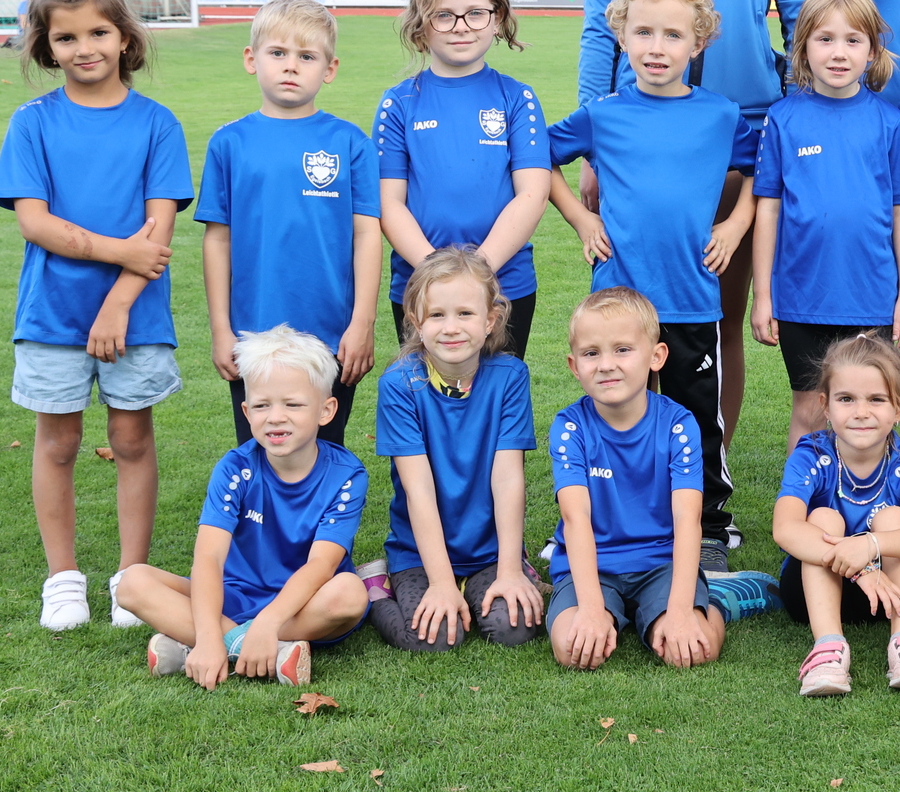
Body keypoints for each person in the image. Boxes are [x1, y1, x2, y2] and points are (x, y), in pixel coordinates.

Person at [578, 0, 818, 451]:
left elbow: (804, 18)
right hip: (638, 135)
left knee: (714, 317)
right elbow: (598, 21)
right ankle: (633, 481)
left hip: (742, 132)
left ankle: (699, 487)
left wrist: (795, 126)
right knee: (630, 325)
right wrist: (594, 136)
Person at [0, 0, 193, 632]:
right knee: (57, 443)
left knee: (133, 439)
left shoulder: (157, 124)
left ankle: (129, 580)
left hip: (135, 315)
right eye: (67, 36)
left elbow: (156, 232)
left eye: (99, 32)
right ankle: (63, 579)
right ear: (45, 46)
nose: (86, 48)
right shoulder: (33, 123)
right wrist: (118, 253)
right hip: (51, 312)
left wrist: (118, 302)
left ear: (124, 36)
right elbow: (35, 222)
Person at [548, 0, 758, 568]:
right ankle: (595, 517)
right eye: (643, 32)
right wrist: (582, 221)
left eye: (672, 35)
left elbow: (763, 168)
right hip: (619, 301)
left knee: (697, 419)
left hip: (693, 298)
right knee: (614, 415)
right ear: (621, 36)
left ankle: (712, 524)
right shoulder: (603, 114)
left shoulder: (721, 115)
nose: (656, 47)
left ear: (699, 42)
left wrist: (735, 225)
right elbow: (534, 157)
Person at [119, 326, 369, 688]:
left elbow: (321, 565)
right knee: (132, 582)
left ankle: (209, 643)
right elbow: (209, 559)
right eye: (263, 405)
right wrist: (208, 637)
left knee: (349, 595)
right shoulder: (235, 468)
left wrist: (268, 622)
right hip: (232, 595)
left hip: (302, 604)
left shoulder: (347, 475)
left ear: (326, 410)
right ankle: (251, 647)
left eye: (293, 404)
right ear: (247, 411)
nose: (276, 417)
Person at [199, 0, 381, 447]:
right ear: (251, 58)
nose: (290, 66)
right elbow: (217, 241)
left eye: (306, 56)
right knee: (261, 452)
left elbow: (366, 234)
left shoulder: (349, 142)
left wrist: (362, 324)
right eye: (277, 53)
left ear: (330, 68)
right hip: (253, 336)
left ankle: (324, 521)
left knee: (326, 451)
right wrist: (221, 330)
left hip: (330, 335)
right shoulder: (229, 143)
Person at [751, 0, 900, 448]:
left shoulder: (890, 121)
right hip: (803, 296)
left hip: (872, 296)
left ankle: (871, 512)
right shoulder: (782, 119)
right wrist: (762, 295)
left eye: (853, 40)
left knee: (870, 411)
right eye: (824, 39)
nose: (839, 52)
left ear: (872, 50)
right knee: (810, 411)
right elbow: (767, 209)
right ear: (803, 46)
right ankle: (797, 513)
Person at [356, 248, 543, 653]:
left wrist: (509, 571)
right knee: (434, 637)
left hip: (487, 551)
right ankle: (374, 589)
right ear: (415, 323)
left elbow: (508, 476)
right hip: (419, 554)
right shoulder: (399, 386)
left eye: (465, 313)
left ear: (490, 319)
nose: (451, 327)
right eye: (436, 315)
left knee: (513, 627)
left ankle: (516, 565)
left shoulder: (510, 377)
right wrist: (440, 583)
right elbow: (418, 490)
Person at [546, 288, 738, 671]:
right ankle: (605, 608)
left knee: (692, 651)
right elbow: (576, 520)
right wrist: (589, 609)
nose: (606, 365)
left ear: (656, 357)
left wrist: (682, 611)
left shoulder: (678, 424)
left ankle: (720, 600)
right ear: (573, 365)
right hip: (594, 567)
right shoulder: (570, 427)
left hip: (661, 564)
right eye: (591, 353)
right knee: (574, 650)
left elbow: (688, 519)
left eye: (622, 349)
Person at [375, 0, 550, 360]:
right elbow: (389, 203)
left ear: (497, 18)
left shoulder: (517, 98)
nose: (461, 27)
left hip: (505, 286)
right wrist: (439, 276)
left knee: (496, 405)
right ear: (421, 26)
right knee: (429, 408)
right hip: (421, 291)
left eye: (475, 13)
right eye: (443, 15)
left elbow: (532, 194)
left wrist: (478, 274)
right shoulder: (398, 103)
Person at [772, 333, 900, 696]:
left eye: (877, 399)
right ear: (825, 404)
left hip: (886, 598)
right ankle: (827, 648)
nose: (861, 412)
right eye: (846, 399)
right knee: (823, 518)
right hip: (810, 594)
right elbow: (785, 529)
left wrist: (870, 546)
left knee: (895, 520)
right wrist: (862, 567)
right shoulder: (811, 455)